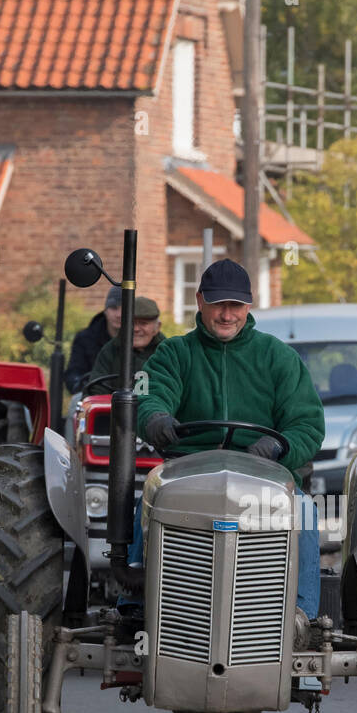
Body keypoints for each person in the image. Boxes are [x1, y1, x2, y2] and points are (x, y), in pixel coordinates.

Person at [136, 258, 325, 638]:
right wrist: (156, 419)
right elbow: (149, 395)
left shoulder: (278, 357)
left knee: (302, 508)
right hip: (189, 473)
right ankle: (138, 604)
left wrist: (276, 445)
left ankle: (300, 616)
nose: (227, 314)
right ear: (200, 301)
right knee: (140, 500)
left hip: (262, 474)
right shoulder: (173, 355)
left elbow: (307, 424)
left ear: (249, 306)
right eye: (219, 304)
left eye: (235, 306)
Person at [86, 297, 164, 390]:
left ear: (157, 327)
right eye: (131, 323)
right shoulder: (110, 351)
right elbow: (96, 389)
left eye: (143, 323)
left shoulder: (167, 353)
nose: (136, 329)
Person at [63, 286, 122, 391]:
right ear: (105, 310)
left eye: (124, 309)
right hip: (93, 396)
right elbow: (74, 373)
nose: (119, 314)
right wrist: (81, 385)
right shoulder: (85, 338)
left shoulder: (140, 340)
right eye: (114, 308)